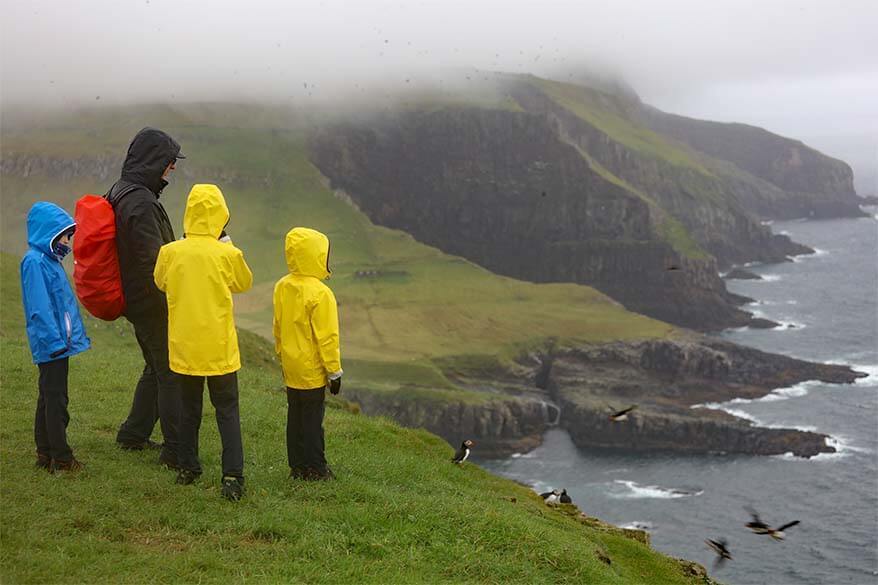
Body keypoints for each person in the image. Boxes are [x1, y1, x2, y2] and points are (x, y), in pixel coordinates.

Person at [153, 184, 253, 500]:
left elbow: (160, 281)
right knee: (227, 409)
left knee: (189, 409)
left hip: (184, 345)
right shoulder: (228, 254)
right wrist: (226, 244)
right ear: (220, 216)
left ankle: (188, 467)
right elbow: (243, 283)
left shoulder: (170, 252)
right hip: (219, 346)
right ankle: (232, 476)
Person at [108, 127, 184, 468]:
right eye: (169, 163)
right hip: (150, 301)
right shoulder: (140, 201)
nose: (172, 169)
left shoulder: (122, 191)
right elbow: (154, 261)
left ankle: (133, 434)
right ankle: (175, 449)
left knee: (155, 367)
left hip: (134, 298)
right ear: (156, 162)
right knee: (169, 371)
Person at [20, 202, 91, 472]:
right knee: (56, 399)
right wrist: (55, 343)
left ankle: (45, 452)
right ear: (47, 233)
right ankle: (62, 458)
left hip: (57, 344)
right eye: (62, 235)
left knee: (47, 396)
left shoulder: (46, 261)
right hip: (53, 345)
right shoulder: (35, 262)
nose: (66, 241)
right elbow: (40, 308)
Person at [273, 227, 343, 481]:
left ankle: (297, 466)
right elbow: (327, 337)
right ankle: (316, 468)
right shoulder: (321, 293)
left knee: (295, 417)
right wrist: (334, 372)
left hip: (291, 365)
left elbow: (278, 326)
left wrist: (282, 355)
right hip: (312, 368)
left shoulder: (283, 286)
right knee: (313, 420)